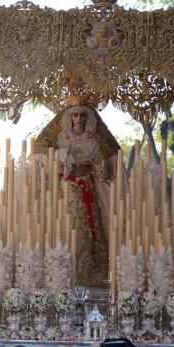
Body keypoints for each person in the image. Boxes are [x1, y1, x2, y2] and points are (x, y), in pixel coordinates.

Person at [55, 105, 119, 287]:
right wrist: (64, 159)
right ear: (69, 117)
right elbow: (57, 163)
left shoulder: (93, 139)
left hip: (89, 184)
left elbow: (102, 168)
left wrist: (98, 163)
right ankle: (71, 268)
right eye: (75, 114)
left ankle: (92, 267)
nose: (79, 118)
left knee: (92, 222)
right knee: (73, 220)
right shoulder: (63, 138)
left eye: (83, 115)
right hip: (70, 184)